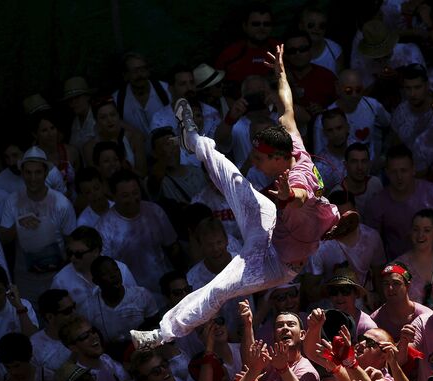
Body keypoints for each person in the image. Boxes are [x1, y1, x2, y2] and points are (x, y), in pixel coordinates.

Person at [132, 45, 348, 345]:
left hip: (278, 262)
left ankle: (161, 334)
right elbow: (287, 106)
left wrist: (288, 195)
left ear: (277, 157)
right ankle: (193, 138)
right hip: (272, 225)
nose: (255, 163)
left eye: (260, 159)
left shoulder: (299, 181)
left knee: (221, 287)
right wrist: (281, 73)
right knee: (234, 177)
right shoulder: (293, 142)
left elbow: (300, 196)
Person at [0, 146, 77, 301]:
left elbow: (72, 243)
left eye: (37, 172)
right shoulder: (12, 200)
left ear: (45, 173)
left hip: (56, 278)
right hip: (25, 278)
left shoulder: (61, 203)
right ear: (22, 173)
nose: (32, 177)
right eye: (28, 172)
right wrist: (19, 224)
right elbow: (3, 238)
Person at [364, 145, 433, 260]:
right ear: (386, 172)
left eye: (403, 170)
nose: (399, 177)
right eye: (394, 172)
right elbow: (372, 244)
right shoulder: (377, 203)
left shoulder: (432, 193)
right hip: (399, 270)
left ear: (413, 170)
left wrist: (426, 236)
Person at [95, 170, 180, 292]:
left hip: (164, 286)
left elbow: (172, 246)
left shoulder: (154, 211)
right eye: (125, 196)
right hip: (132, 292)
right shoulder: (103, 227)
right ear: (114, 196)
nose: (132, 199)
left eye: (135, 193)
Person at [304, 190, 386, 301]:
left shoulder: (372, 237)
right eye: (340, 218)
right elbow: (310, 290)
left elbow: (379, 277)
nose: (346, 222)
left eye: (350, 216)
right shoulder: (320, 246)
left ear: (356, 211)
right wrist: (337, 287)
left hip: (366, 302)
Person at [312, 69, 391, 161]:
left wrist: (383, 157)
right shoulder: (324, 119)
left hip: (372, 166)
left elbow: (389, 126)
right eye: (348, 90)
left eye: (358, 90)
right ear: (338, 88)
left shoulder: (373, 106)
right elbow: (319, 157)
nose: (354, 95)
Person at [52, 226, 137, 311]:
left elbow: (137, 302)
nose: (72, 258)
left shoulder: (121, 270)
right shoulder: (60, 281)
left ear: (95, 252)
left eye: (78, 254)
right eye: (70, 253)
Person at [88, 256, 159, 347]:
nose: (113, 275)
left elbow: (156, 327)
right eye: (105, 273)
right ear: (96, 281)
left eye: (116, 270)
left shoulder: (141, 295)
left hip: (146, 349)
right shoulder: (91, 307)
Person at [112, 52, 171, 145]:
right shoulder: (118, 100)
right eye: (135, 71)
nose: (140, 75)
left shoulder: (165, 91)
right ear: (126, 75)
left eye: (143, 69)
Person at [352, 19, 426, 90]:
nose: (381, 59)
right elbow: (362, 93)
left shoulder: (410, 52)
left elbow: (422, 86)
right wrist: (377, 81)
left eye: (384, 55)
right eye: (376, 57)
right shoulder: (363, 61)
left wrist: (398, 76)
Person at [214, 2, 278, 85]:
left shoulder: (281, 49)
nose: (261, 28)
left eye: (266, 24)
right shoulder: (229, 54)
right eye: (255, 24)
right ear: (245, 26)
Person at [84, 97, 147, 176]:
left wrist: (127, 168)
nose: (109, 120)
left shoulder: (134, 138)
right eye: (103, 117)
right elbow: (96, 180)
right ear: (96, 121)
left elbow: (143, 174)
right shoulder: (90, 147)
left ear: (118, 116)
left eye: (113, 115)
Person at [371, 263, 433, 341]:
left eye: (396, 283)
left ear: (407, 286)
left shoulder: (426, 316)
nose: (390, 288)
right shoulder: (375, 320)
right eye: (386, 284)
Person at [283, 30, 337, 115]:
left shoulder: (327, 77)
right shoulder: (279, 79)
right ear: (285, 55)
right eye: (292, 51)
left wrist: (323, 110)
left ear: (311, 50)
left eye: (302, 49)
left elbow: (339, 108)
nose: (298, 54)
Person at [29, 110, 81, 196]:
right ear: (35, 135)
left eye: (52, 128)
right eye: (44, 130)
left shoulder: (71, 152)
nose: (50, 134)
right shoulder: (32, 159)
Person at [320, 266, 378, 337]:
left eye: (345, 291)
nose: (339, 297)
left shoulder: (367, 327)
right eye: (334, 291)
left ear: (356, 294)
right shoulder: (325, 321)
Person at [0, 143, 67, 195]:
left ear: (26, 153)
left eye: (15, 155)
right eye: (7, 157)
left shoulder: (52, 173)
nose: (11, 162)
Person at [329, 142, 383, 213]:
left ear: (369, 164)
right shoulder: (337, 192)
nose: (359, 167)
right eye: (354, 161)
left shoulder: (375, 184)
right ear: (346, 165)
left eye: (363, 161)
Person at [30, 289, 75, 371]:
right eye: (68, 311)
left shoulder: (84, 332)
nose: (74, 313)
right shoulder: (34, 346)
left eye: (74, 307)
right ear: (50, 317)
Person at [390, 63, 433, 147]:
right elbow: (395, 143)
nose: (412, 94)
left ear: (427, 85)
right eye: (408, 88)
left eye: (417, 87)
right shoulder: (400, 111)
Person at [298, 5, 343, 74]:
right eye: (311, 25)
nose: (316, 28)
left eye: (322, 26)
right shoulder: (294, 50)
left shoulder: (334, 49)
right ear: (301, 26)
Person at [313, 109, 349, 191]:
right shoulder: (320, 166)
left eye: (339, 128)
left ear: (347, 127)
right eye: (330, 130)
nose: (336, 134)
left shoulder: (360, 151)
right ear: (324, 132)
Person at [62, 76, 97, 148]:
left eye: (77, 97)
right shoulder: (73, 123)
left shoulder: (99, 116)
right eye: (70, 100)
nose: (73, 102)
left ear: (87, 97)